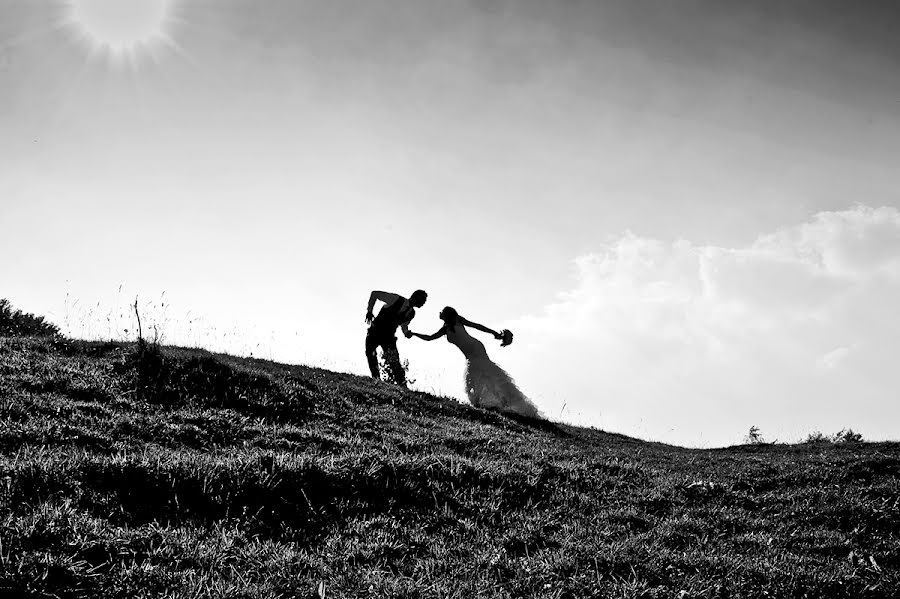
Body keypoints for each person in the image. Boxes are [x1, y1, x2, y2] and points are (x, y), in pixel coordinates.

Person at [409, 306, 540, 418]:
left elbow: (477, 326)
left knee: (488, 375)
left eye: (442, 311)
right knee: (477, 378)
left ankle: (505, 402)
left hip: (477, 349)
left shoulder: (458, 320)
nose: (440, 313)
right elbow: (429, 338)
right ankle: (493, 404)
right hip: (469, 356)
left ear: (447, 314)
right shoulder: (444, 329)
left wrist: (494, 333)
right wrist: (414, 333)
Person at [365, 289, 427, 386]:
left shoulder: (411, 313)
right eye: (423, 299)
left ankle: (402, 385)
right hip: (375, 331)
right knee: (370, 353)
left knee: (394, 361)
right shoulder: (395, 299)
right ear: (415, 296)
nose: (423, 303)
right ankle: (376, 380)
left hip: (389, 337)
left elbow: (404, 325)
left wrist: (406, 332)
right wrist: (369, 311)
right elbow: (375, 294)